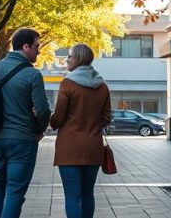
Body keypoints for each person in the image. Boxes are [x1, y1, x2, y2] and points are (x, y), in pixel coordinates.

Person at [0, 27, 50, 218]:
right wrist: (40, 130)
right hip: (23, 140)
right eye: (37, 46)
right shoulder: (33, 75)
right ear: (26, 46)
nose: (39, 50)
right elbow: (43, 110)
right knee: (15, 191)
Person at [50, 43, 112, 218]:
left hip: (69, 148)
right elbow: (106, 118)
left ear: (78, 59)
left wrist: (50, 120)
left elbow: (59, 116)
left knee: (72, 195)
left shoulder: (68, 84)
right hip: (93, 147)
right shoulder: (102, 86)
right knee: (88, 194)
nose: (67, 59)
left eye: (70, 56)